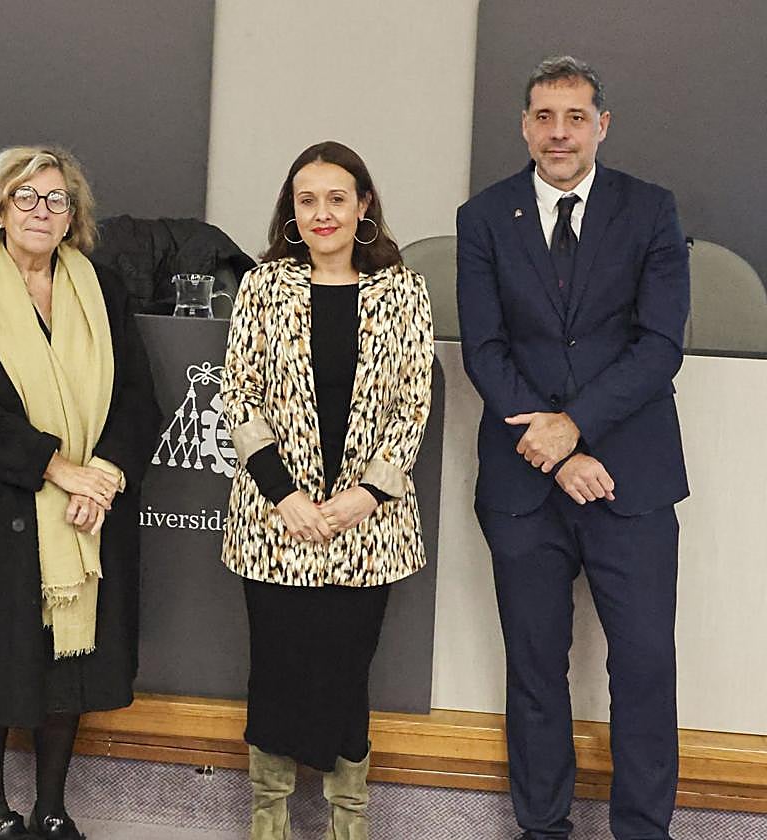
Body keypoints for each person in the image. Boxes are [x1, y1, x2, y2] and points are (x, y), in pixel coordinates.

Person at [456, 56, 689, 840]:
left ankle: (644, 830)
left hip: (635, 478)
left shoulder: (652, 211)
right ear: (524, 125)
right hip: (524, 488)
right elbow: (485, 350)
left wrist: (574, 427)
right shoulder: (483, 217)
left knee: (646, 668)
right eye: (545, 117)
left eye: (576, 117)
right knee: (534, 671)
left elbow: (658, 347)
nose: (560, 133)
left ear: (602, 125)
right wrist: (557, 451)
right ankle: (543, 827)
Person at [0, 146, 160, 840]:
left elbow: (137, 401)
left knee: (71, 663)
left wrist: (106, 477)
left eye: (56, 199)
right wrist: (61, 470)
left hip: (89, 510)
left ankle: (53, 805)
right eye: (25, 197)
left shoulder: (105, 290)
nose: (41, 211)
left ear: (73, 217)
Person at [220, 141, 434, 840]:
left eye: (337, 198)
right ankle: (269, 820)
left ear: (364, 205)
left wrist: (364, 497)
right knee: (276, 672)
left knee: (346, 676)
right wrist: (284, 495)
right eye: (306, 200)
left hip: (367, 530)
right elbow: (238, 396)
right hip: (274, 523)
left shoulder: (405, 291)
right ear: (292, 210)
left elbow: (413, 406)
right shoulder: (263, 287)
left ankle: (349, 823)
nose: (322, 213)